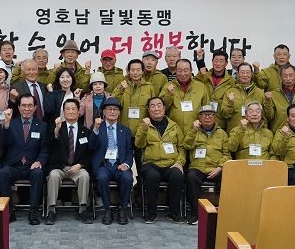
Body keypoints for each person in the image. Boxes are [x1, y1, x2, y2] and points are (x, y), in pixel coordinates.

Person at [0, 94, 50, 225]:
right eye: (24, 105)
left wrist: (40, 161)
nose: (27, 109)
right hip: (14, 165)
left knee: (38, 173)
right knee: (2, 173)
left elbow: (45, 149)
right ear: (18, 107)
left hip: (32, 165)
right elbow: (4, 142)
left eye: (30, 105)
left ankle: (33, 210)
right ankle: (9, 210)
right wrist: (6, 124)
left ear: (35, 107)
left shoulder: (42, 126)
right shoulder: (11, 123)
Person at [44, 99, 95, 225]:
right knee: (53, 176)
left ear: (78, 112)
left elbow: (89, 154)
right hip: (59, 167)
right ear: (63, 112)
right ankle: (51, 210)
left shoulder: (85, 131)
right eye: (68, 109)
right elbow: (49, 145)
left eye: (73, 109)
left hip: (77, 167)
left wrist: (80, 165)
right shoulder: (56, 128)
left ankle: (82, 209)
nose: (71, 111)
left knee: (84, 175)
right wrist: (56, 130)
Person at [135, 96, 185, 224]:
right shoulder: (143, 125)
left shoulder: (174, 126)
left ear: (164, 108)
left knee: (177, 176)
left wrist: (179, 162)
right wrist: (144, 129)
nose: (156, 109)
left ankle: (174, 212)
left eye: (159, 105)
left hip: (171, 163)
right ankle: (151, 212)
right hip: (151, 164)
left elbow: (182, 147)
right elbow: (139, 144)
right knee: (151, 176)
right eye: (152, 106)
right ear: (148, 109)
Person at [183, 105, 230, 225]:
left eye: (210, 114)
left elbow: (227, 154)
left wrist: (220, 168)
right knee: (191, 177)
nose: (207, 117)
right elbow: (186, 146)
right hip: (198, 167)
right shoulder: (193, 131)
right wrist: (193, 131)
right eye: (204, 114)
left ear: (215, 116)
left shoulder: (222, 133)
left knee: (228, 178)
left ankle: (224, 213)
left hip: (216, 168)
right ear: (199, 117)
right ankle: (195, 214)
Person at [91, 97, 133, 225]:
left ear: (119, 113)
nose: (112, 112)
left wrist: (126, 164)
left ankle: (122, 208)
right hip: (104, 165)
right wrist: (95, 129)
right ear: (104, 112)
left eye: (115, 109)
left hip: (120, 164)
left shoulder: (125, 130)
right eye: (109, 109)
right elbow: (91, 146)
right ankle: (107, 209)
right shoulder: (97, 127)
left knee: (127, 178)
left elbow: (129, 151)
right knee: (102, 177)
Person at [161, 58, 210, 133]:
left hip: (196, 130)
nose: (183, 74)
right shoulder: (168, 86)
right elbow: (161, 109)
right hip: (173, 131)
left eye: (186, 70)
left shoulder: (200, 86)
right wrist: (169, 95)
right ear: (176, 71)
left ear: (191, 70)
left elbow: (206, 108)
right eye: (180, 70)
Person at [194, 49, 236, 128]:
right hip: (203, 120)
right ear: (212, 61)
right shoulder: (204, 76)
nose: (218, 64)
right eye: (216, 61)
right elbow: (193, 85)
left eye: (221, 61)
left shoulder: (231, 81)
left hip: (220, 122)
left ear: (226, 63)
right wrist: (200, 74)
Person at [264, 64, 295, 132]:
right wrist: (268, 101)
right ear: (280, 77)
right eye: (285, 76)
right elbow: (269, 117)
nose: (288, 79)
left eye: (290, 75)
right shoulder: (273, 95)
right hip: (279, 133)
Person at [221, 62, 265, 132]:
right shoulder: (230, 92)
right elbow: (225, 115)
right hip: (235, 133)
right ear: (237, 74)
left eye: (247, 72)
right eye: (242, 72)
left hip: (255, 133)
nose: (245, 75)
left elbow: (267, 116)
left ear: (252, 74)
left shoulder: (260, 93)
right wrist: (230, 103)